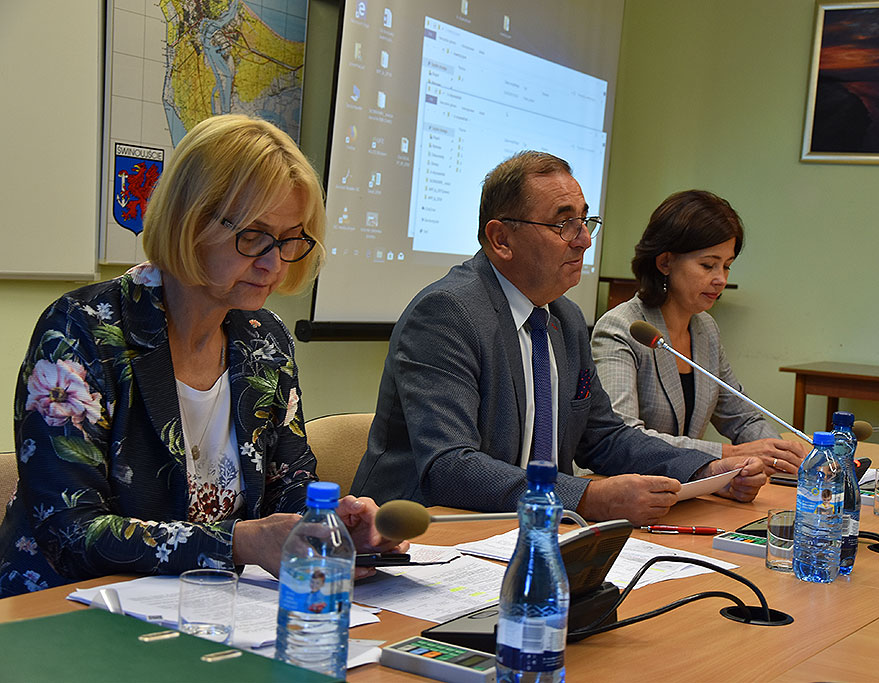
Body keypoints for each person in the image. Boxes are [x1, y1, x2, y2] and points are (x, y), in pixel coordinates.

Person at [0, 114, 403, 598]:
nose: (273, 263)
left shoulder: (265, 338)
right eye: (253, 236)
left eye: (289, 239)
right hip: (66, 609)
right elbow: (70, 533)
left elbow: (288, 486)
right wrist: (241, 542)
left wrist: (332, 527)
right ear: (189, 220)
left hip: (212, 605)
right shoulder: (80, 332)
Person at [350, 152, 767, 526]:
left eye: (585, 221)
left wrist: (702, 470)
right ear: (501, 239)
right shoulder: (447, 314)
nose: (584, 240)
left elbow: (603, 437)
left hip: (528, 529)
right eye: (564, 224)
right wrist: (588, 497)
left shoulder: (564, 318)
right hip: (424, 535)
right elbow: (450, 468)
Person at [591, 190, 806, 476]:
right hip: (624, 487)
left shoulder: (705, 329)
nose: (721, 279)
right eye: (708, 265)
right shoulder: (622, 328)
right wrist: (730, 453)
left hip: (685, 486)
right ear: (665, 262)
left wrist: (783, 456)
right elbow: (624, 436)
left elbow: (742, 418)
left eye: (727, 266)